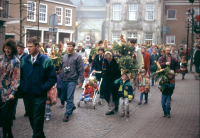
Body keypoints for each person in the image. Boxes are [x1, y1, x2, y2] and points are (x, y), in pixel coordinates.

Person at [21, 37, 57, 138]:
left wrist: (42, 88)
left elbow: (52, 78)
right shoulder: (24, 60)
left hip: (39, 95)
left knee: (37, 119)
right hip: (27, 95)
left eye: (31, 47)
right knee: (32, 119)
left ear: (37, 47)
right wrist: (24, 86)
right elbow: (20, 77)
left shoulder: (46, 60)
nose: (28, 49)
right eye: (27, 47)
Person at [0, 38, 20, 138]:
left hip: (8, 93)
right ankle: (9, 134)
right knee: (2, 115)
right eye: (6, 48)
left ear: (12, 49)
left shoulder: (16, 61)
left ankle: (5, 135)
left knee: (6, 115)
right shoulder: (0, 58)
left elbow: (16, 78)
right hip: (0, 91)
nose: (7, 50)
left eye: (9, 49)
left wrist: (13, 92)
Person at [60, 41, 84, 122]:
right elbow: (62, 67)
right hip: (63, 79)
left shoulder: (78, 56)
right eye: (68, 46)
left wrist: (81, 80)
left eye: (70, 46)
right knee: (64, 97)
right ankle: (72, 106)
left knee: (69, 97)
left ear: (74, 47)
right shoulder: (64, 56)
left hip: (72, 80)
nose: (69, 48)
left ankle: (67, 114)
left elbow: (81, 69)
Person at [13, 42, 28, 120]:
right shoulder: (14, 56)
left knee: (25, 96)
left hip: (23, 80)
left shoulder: (26, 57)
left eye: (19, 48)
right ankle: (13, 113)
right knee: (14, 96)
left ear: (22, 49)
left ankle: (27, 111)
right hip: (15, 80)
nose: (18, 49)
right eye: (17, 48)